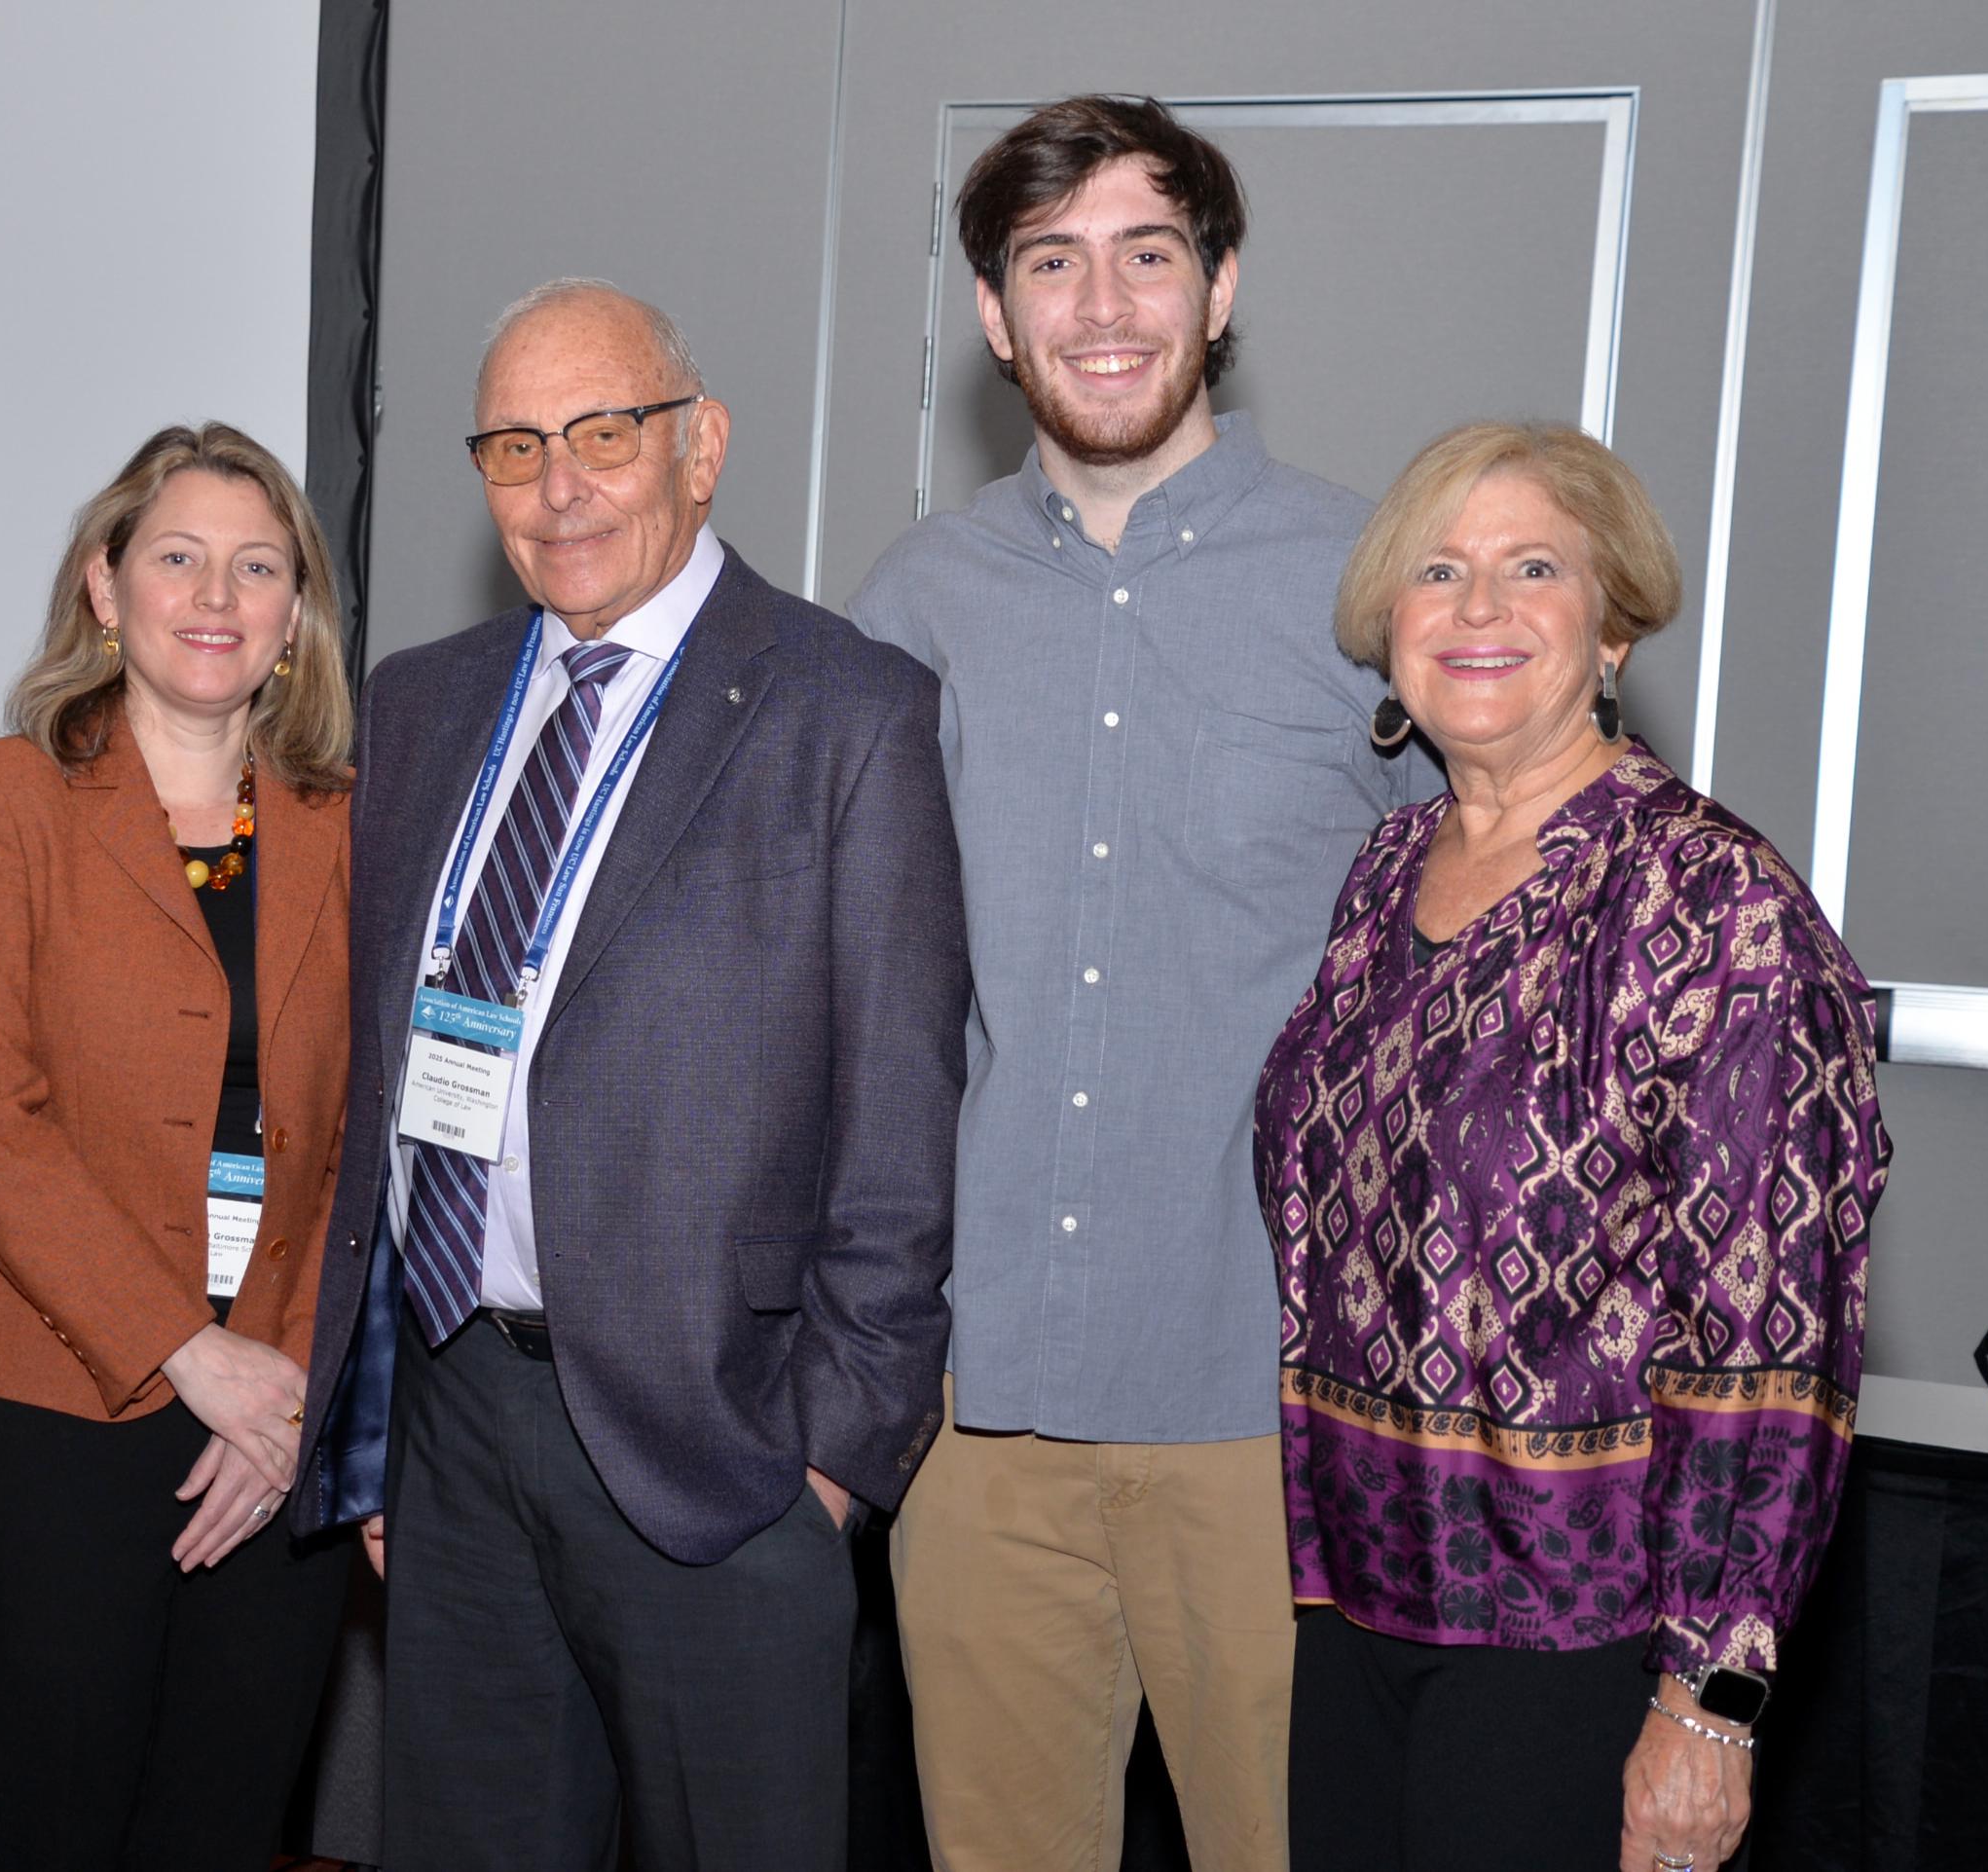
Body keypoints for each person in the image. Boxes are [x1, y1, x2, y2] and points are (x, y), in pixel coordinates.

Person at [284, 278, 968, 1871]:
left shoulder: (846, 710)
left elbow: (900, 1129)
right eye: (514, 447)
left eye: (604, 432)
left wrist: (829, 1466)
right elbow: (387, 1074)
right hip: (455, 1427)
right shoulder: (420, 704)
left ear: (700, 445)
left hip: (715, 1447)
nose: (559, 486)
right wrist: (379, 1420)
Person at [851, 94, 1438, 1872]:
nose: (1101, 305)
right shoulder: (911, 603)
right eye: (1052, 262)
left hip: (1269, 1417)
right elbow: (860, 1002)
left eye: (1146, 253)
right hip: (981, 1415)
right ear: (990, 312)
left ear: (1220, 284)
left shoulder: (1377, 591)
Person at [1256, 421, 1892, 1872]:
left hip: (1577, 1643)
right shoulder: (1381, 876)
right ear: (1388, 628)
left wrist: (1710, 1703)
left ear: (1610, 626)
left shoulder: (1712, 908)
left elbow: (1771, 1350)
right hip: (1348, 1605)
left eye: (1529, 568)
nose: (1475, 610)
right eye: (1436, 571)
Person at [0, 423, 357, 1871]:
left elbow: (370, 1125)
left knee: (224, 1814)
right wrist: (186, 1351)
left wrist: (280, 1388)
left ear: (295, 615)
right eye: (175, 556)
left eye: (255, 565)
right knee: (53, 1810)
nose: (213, 593)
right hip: (61, 1389)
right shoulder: (2, 799)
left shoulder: (354, 826)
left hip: (283, 1402)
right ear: (104, 588)